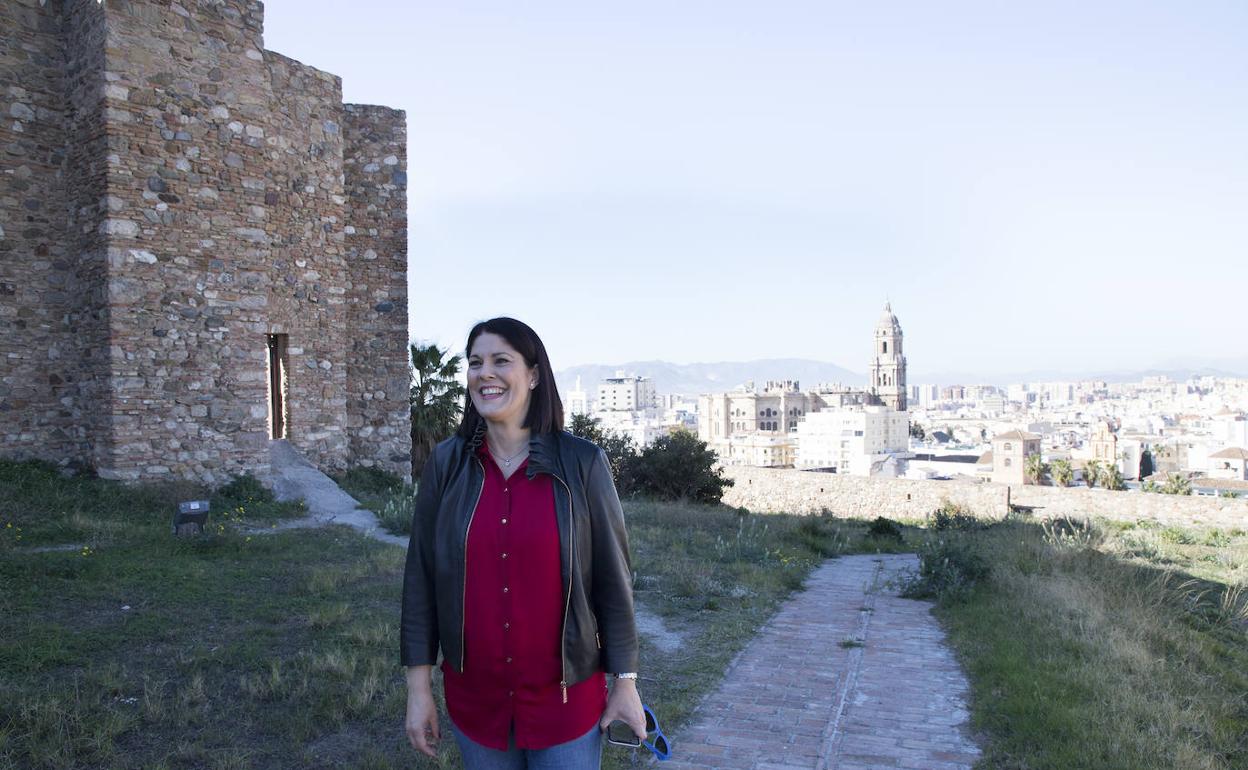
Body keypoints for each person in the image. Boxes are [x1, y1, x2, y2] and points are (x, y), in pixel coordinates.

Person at [401, 317, 646, 768]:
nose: (484, 373)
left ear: (533, 375)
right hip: (477, 704)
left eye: (501, 361)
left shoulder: (583, 463)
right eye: (475, 363)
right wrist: (418, 691)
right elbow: (421, 580)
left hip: (566, 705)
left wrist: (625, 684)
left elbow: (614, 583)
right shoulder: (446, 464)